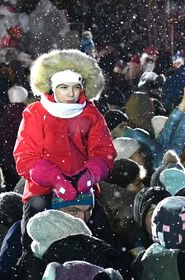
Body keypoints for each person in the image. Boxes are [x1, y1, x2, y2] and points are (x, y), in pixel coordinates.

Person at [13, 49, 116, 241]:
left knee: (104, 238)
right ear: (52, 87)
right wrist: (55, 179)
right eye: (64, 87)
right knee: (32, 240)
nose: (71, 93)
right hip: (41, 191)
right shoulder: (35, 113)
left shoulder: (91, 114)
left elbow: (104, 151)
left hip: (84, 189)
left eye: (76, 87)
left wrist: (90, 175)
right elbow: (25, 157)